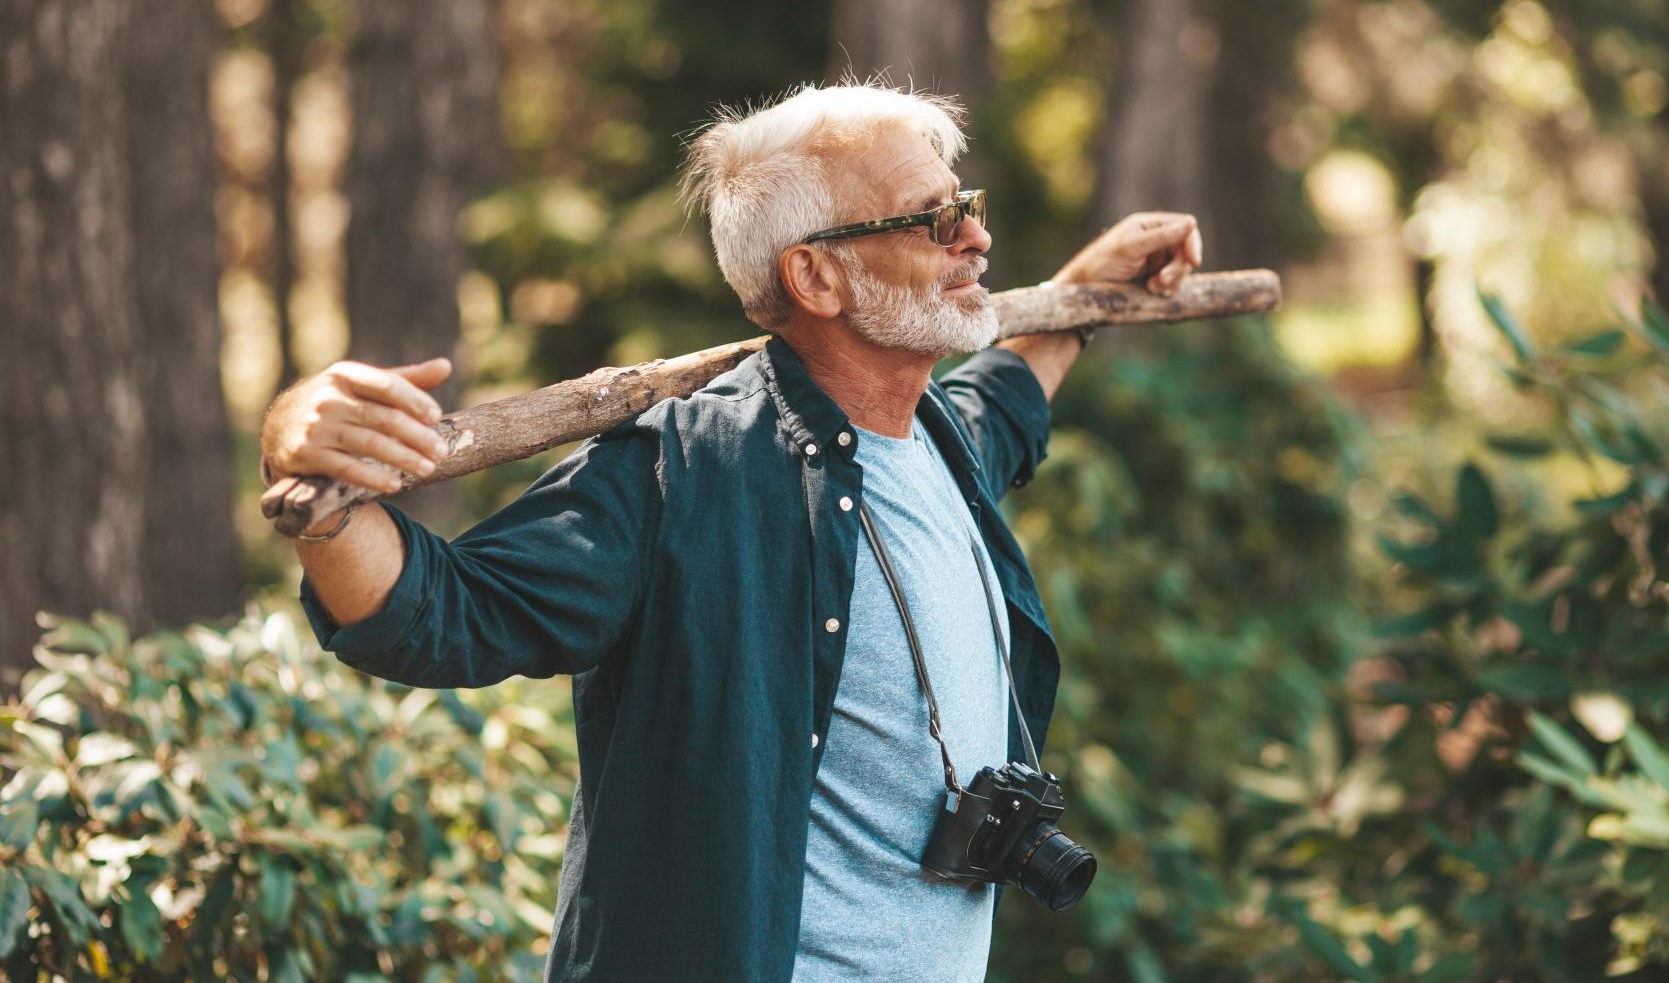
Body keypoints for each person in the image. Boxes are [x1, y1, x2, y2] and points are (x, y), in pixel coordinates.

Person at [260, 82, 1202, 981]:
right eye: (933, 219)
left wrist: (1079, 300)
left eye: (967, 204)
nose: (978, 237)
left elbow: (1004, 404)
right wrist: (316, 482)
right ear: (816, 275)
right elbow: (436, 614)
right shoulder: (681, 474)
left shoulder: (936, 437)